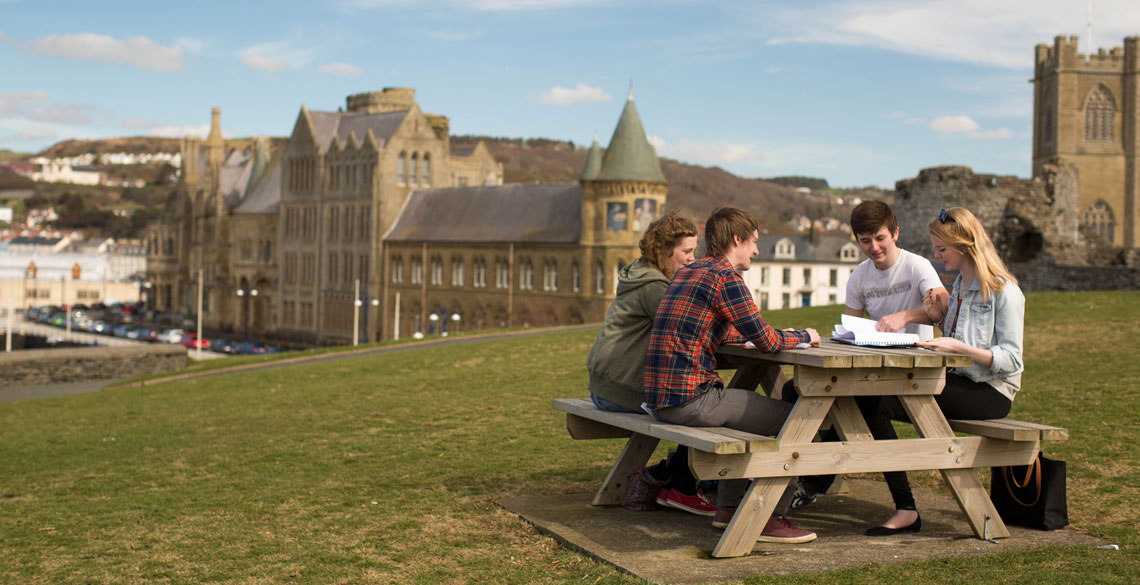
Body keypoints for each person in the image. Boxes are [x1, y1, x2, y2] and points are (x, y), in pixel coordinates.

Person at [644, 206, 822, 544]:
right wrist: (804, 336)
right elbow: (768, 341)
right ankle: (770, 516)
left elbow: (719, 332)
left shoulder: (689, 272)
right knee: (798, 421)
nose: (756, 250)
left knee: (749, 419)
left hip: (659, 399)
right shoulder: (726, 278)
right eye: (753, 242)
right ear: (736, 239)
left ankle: (727, 509)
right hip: (691, 401)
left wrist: (748, 338)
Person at [861, 206, 1025, 536]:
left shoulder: (1005, 291)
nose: (937, 256)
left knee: (879, 400)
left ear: (964, 245)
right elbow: (956, 334)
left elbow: (1012, 361)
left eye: (942, 249)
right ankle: (905, 508)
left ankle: (905, 508)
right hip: (958, 381)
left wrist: (960, 349)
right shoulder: (962, 287)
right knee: (870, 397)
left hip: (991, 393)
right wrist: (935, 318)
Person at [785, 200, 950, 508]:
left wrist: (906, 316)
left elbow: (941, 308)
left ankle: (903, 505)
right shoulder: (860, 276)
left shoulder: (917, 266)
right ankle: (790, 476)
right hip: (871, 366)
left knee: (865, 404)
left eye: (880, 238)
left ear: (895, 233)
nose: (873, 247)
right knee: (793, 389)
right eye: (865, 241)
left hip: (912, 370)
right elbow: (851, 325)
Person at [586, 211, 709, 515]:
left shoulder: (641, 274)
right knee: (695, 408)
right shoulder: (655, 287)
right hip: (621, 390)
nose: (692, 259)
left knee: (695, 403)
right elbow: (692, 332)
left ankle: (673, 479)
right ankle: (681, 486)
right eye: (687, 252)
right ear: (665, 251)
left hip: (605, 385)